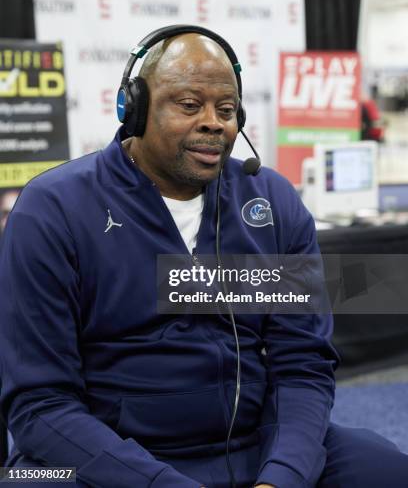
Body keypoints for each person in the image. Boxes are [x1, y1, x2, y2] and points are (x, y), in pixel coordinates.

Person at [0, 26, 407, 488]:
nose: (214, 122)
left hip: (252, 448)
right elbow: (40, 404)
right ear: (133, 109)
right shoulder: (54, 209)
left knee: (384, 469)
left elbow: (303, 364)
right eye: (189, 105)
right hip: (108, 459)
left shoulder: (272, 200)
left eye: (227, 110)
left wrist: (283, 476)